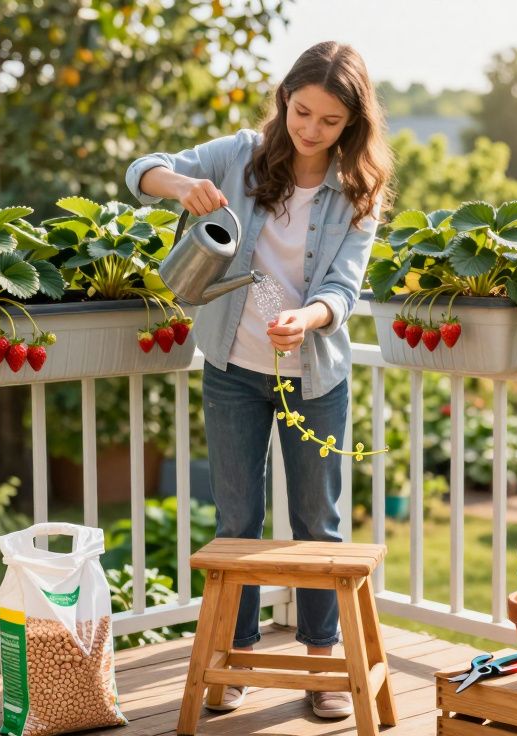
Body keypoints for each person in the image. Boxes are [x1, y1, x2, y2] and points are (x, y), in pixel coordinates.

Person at [125, 40, 392, 719]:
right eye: (302, 112)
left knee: (318, 525)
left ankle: (322, 665)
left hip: (315, 375)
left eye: (330, 122)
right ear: (285, 100)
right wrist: (181, 186)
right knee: (238, 522)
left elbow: (345, 286)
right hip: (233, 371)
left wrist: (309, 317)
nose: (310, 130)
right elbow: (140, 170)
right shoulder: (239, 154)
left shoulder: (358, 190)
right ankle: (234, 659)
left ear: (352, 125)